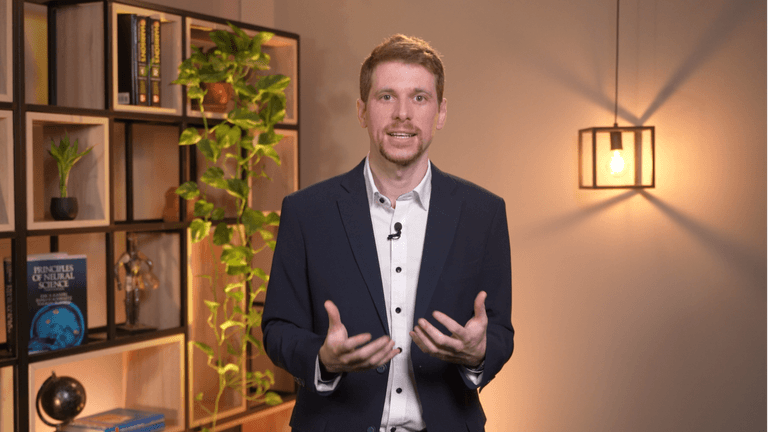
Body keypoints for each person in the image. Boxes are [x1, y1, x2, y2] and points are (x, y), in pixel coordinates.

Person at [262, 34, 514, 432]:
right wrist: (323, 359)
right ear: (362, 111)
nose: (402, 114)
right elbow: (277, 328)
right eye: (386, 97)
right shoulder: (306, 212)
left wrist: (478, 353)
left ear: (440, 112)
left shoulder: (484, 213)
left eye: (419, 98)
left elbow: (499, 330)